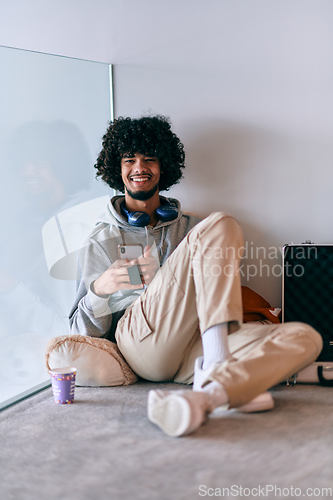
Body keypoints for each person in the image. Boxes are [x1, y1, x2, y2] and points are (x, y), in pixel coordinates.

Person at [70, 115, 322, 437]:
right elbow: (78, 332)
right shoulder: (100, 239)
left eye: (150, 159)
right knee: (223, 223)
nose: (139, 167)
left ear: (164, 166)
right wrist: (99, 291)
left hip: (193, 346)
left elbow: (217, 289)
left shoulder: (192, 229)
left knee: (306, 337)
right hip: (141, 343)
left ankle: (209, 395)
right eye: (129, 159)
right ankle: (220, 363)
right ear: (116, 168)